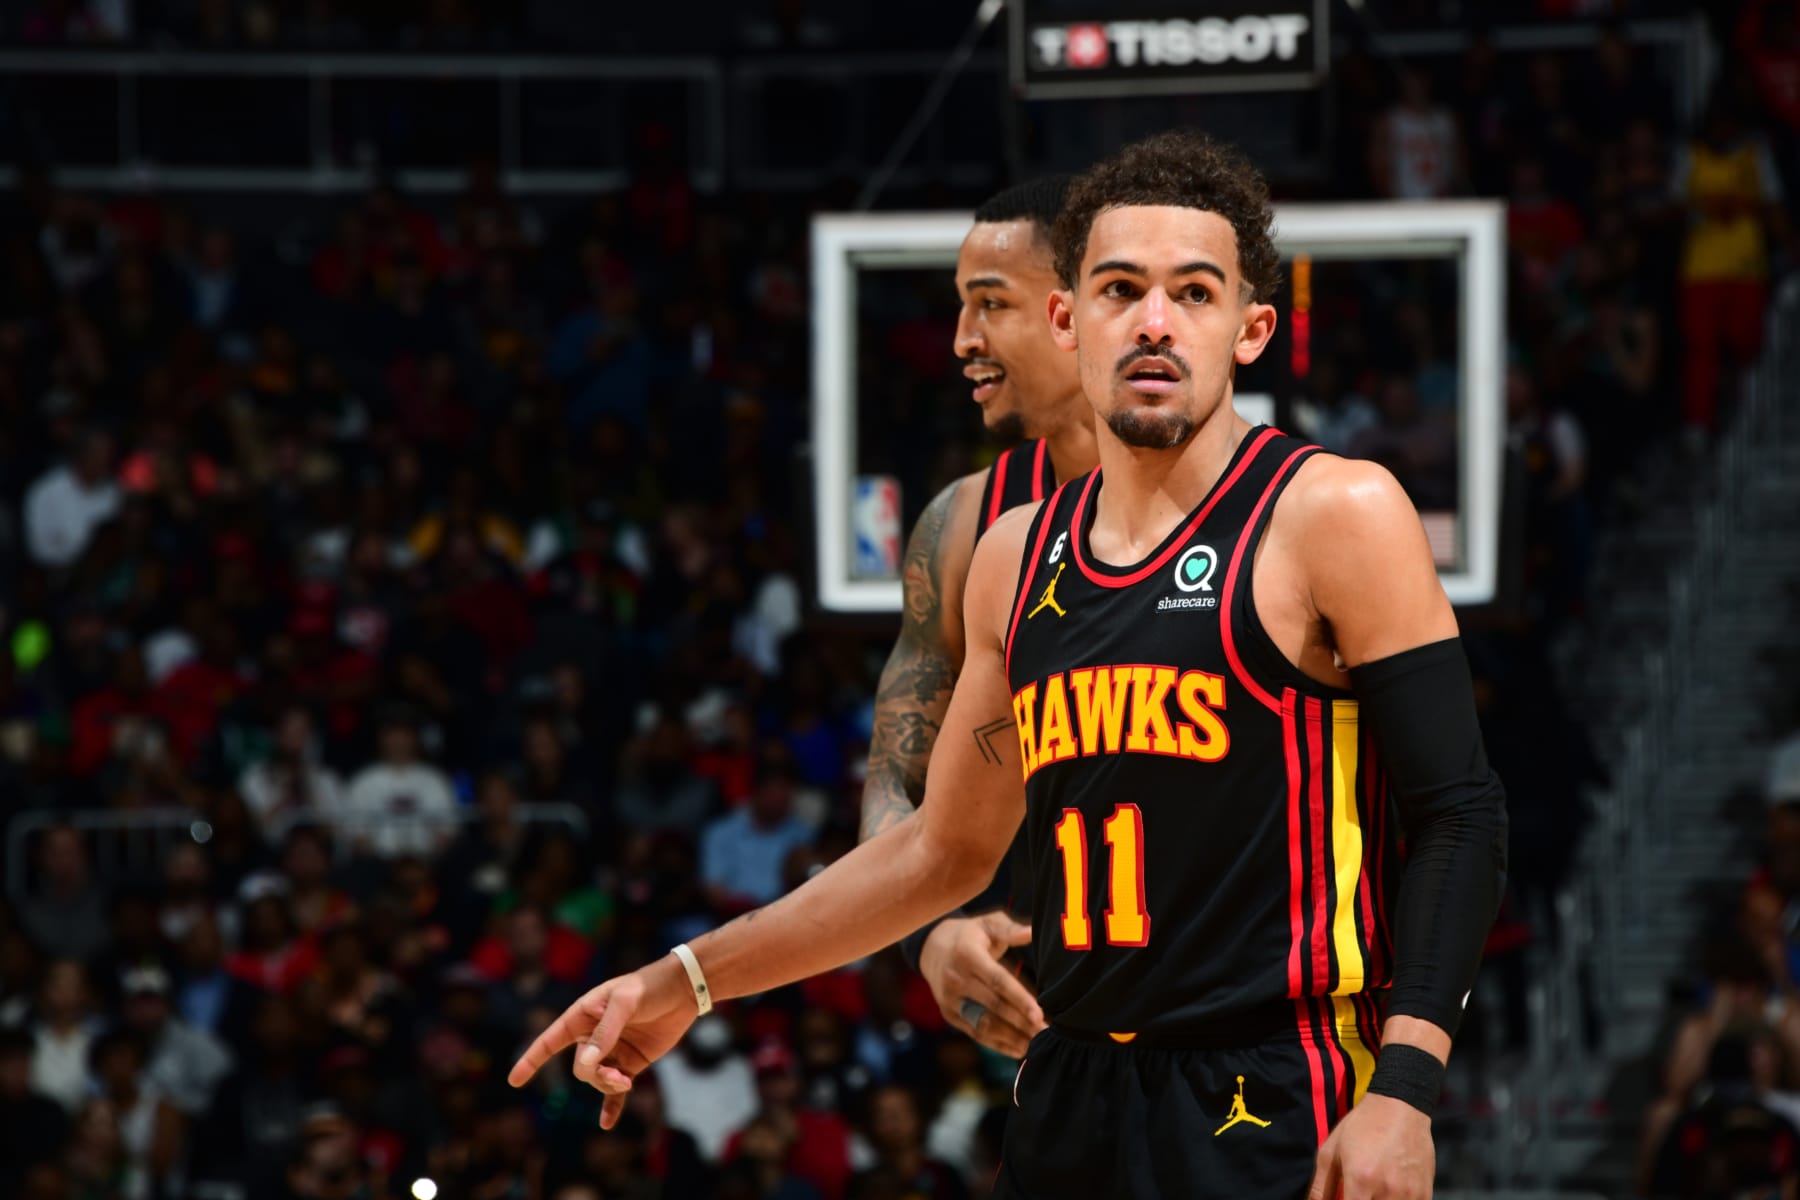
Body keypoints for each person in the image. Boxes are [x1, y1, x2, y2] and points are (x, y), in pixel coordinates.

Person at [511, 131, 1508, 1199]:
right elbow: (940, 855)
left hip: (1275, 1077)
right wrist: (686, 980)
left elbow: (1460, 812)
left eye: (1196, 294)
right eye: (1121, 289)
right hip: (1070, 1081)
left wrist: (1403, 1089)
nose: (1156, 322)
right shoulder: (1010, 555)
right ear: (1070, 320)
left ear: (1252, 331)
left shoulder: (1334, 514)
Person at [857, 176, 1100, 1061]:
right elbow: (896, 779)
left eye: (988, 306)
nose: (962, 341)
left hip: (1251, 1013)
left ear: (1073, 313)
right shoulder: (960, 525)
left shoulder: (1272, 508)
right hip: (1046, 1015)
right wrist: (933, 928)